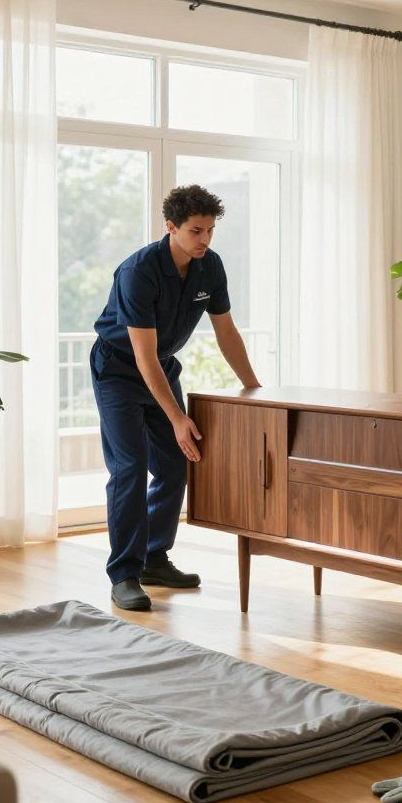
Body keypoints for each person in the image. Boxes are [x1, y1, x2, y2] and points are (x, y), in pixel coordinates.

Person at [90, 185, 261, 611]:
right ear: (171, 227)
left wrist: (255, 388)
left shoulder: (210, 267)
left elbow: (227, 332)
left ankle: (154, 558)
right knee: (129, 466)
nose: (204, 239)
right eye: (195, 230)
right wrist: (177, 417)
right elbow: (142, 358)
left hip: (161, 367)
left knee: (174, 463)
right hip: (119, 370)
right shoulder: (138, 271)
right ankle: (124, 574)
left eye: (210, 230)